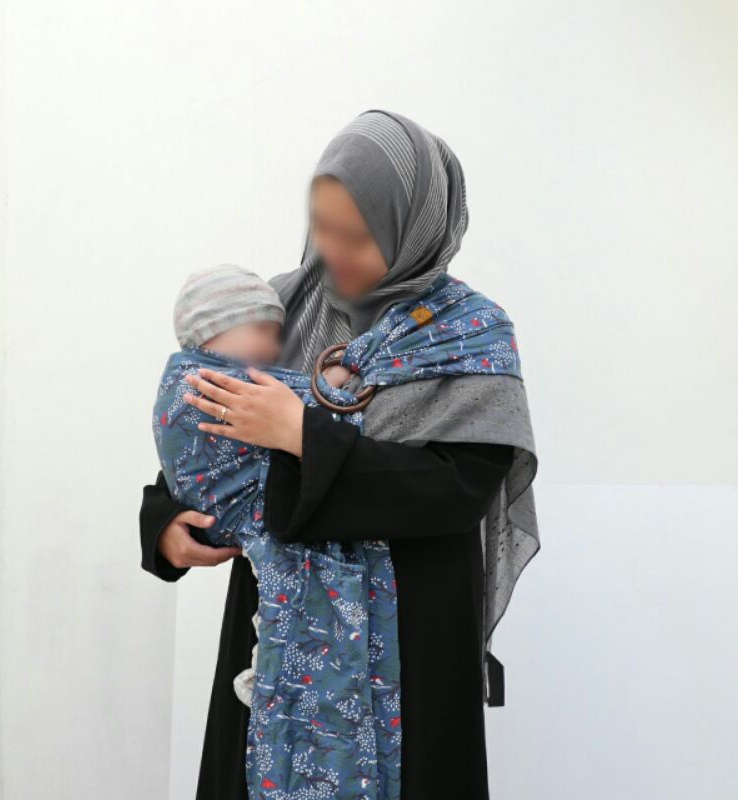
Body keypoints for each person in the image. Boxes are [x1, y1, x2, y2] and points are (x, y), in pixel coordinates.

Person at [140, 109, 540, 800]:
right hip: (276, 632)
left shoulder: (470, 333)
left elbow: (459, 490)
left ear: (416, 230)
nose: (332, 250)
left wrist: (303, 433)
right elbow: (203, 433)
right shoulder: (278, 308)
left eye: (358, 236)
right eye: (323, 226)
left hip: (412, 636)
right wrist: (165, 524)